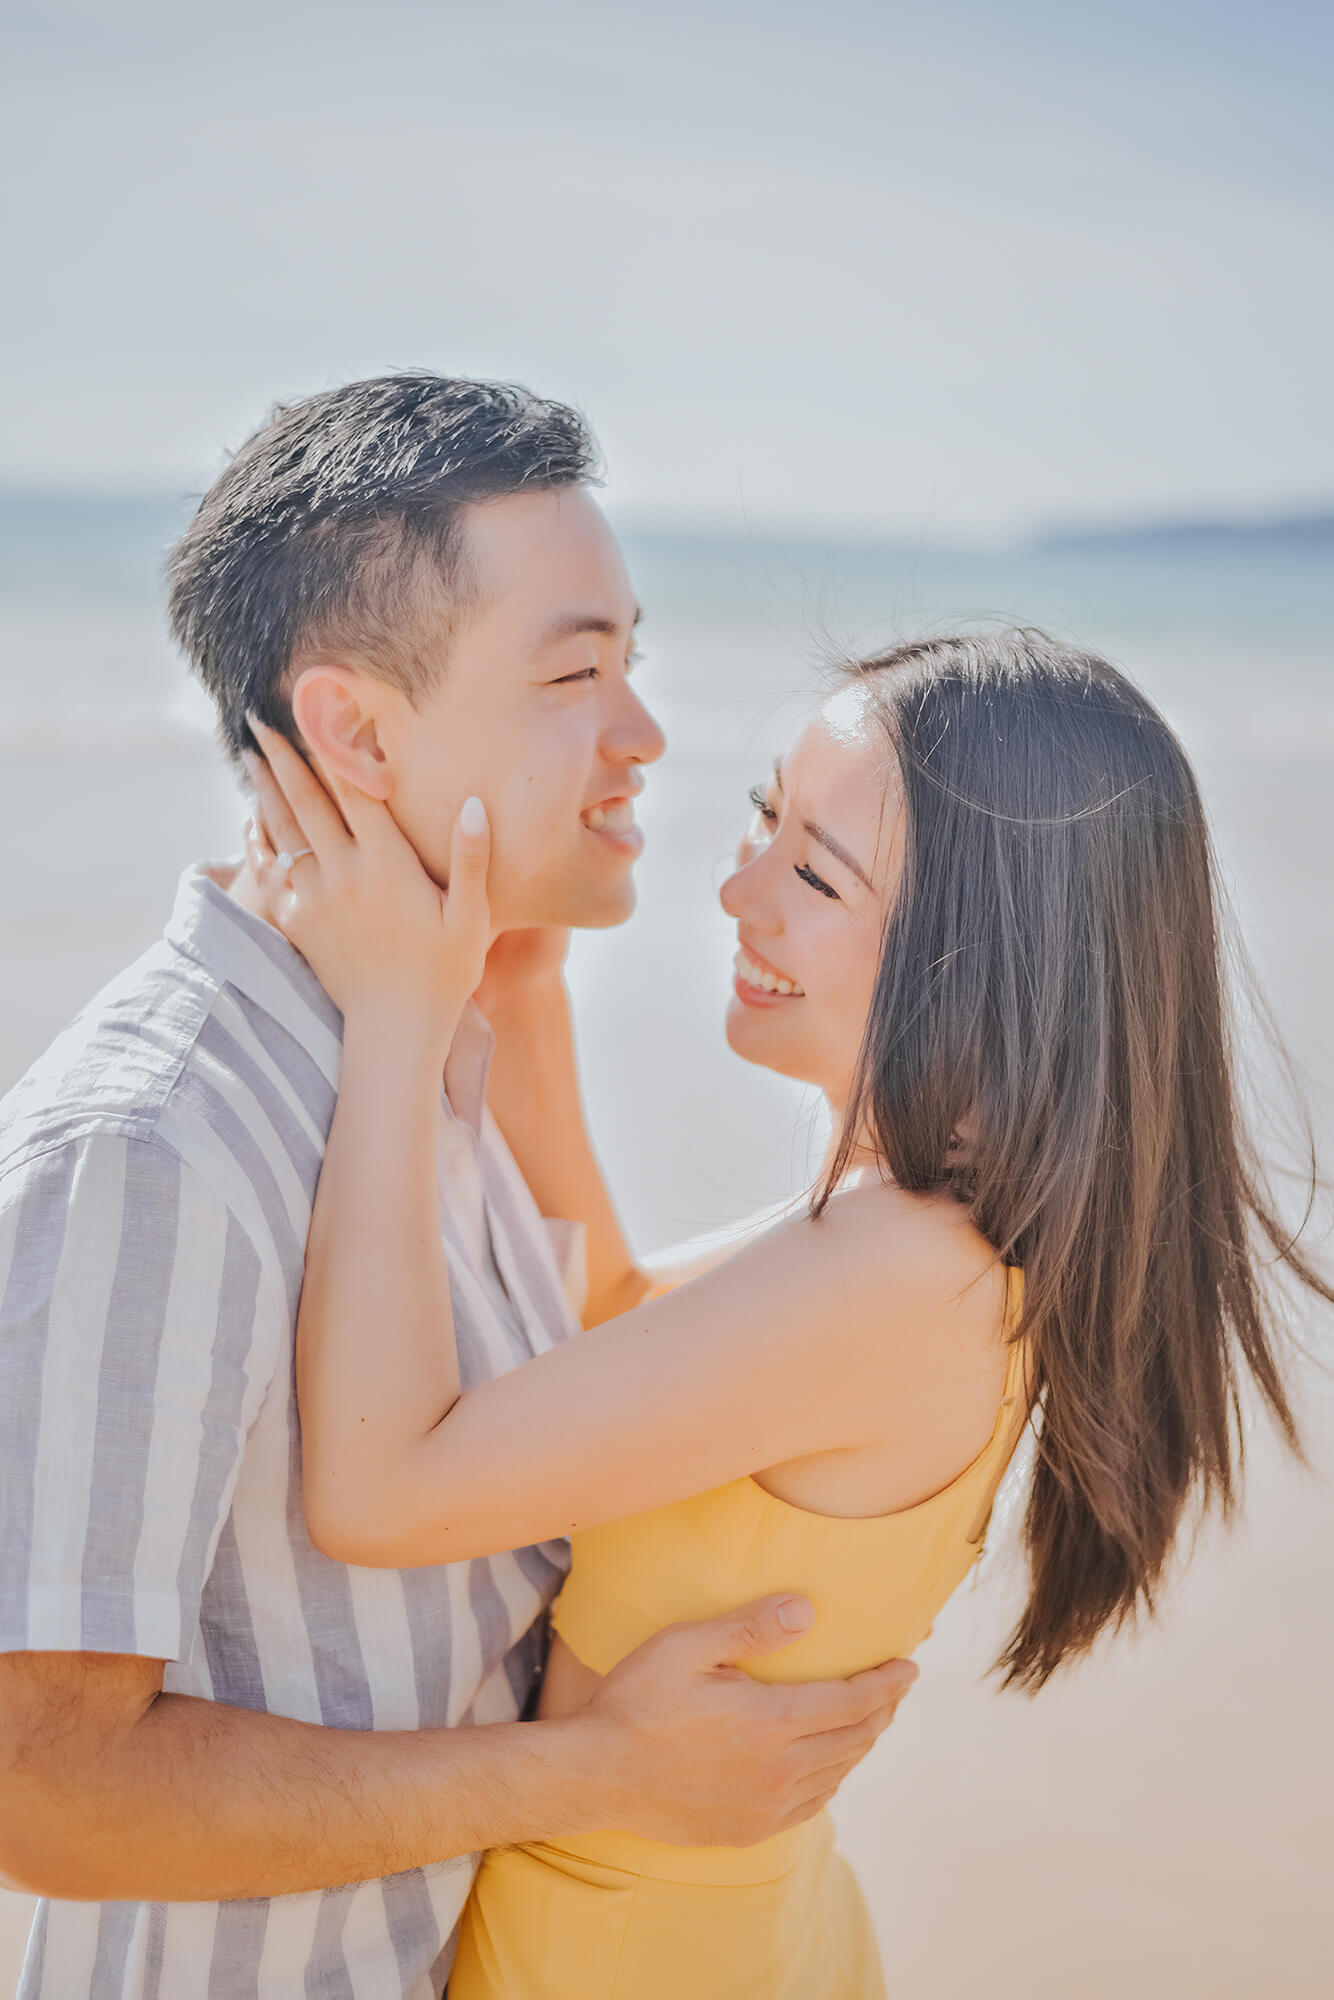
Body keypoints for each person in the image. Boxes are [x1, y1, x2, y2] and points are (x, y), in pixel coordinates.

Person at [243, 626, 1330, 2000]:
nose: (733, 888)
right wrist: (516, 990)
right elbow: (639, 1343)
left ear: (983, 960)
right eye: (764, 818)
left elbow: (382, 1489)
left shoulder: (897, 1272)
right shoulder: (939, 1239)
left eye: (813, 871)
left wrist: (399, 1020)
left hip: (622, 1957)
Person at [0, 375, 916, 2000]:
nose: (640, 735)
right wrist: (598, 1777)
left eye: (633, 662)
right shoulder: (159, 1141)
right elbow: (45, 1790)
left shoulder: (421, 1046)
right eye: (574, 674)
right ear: (355, 732)